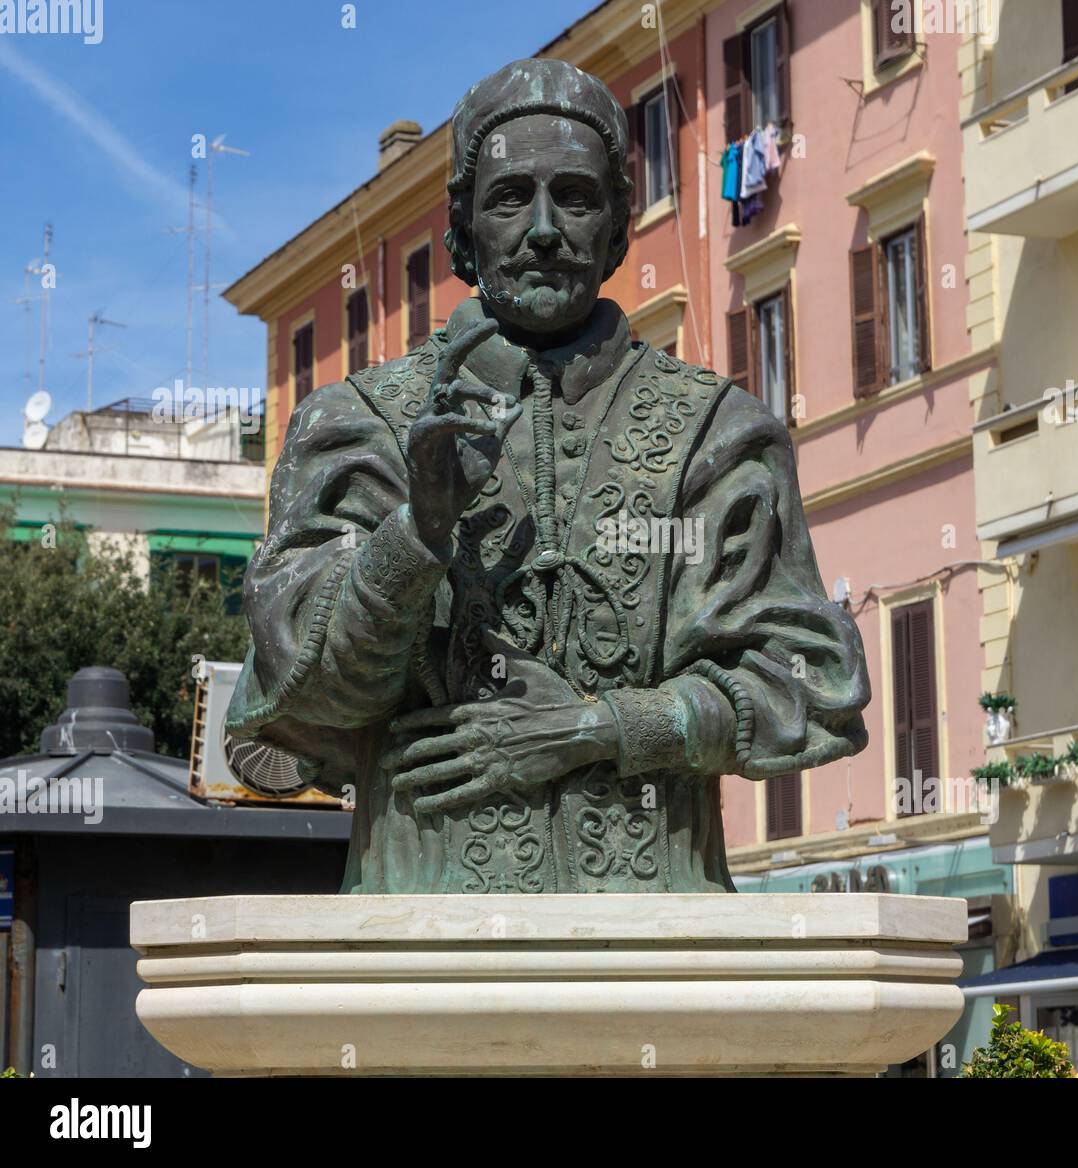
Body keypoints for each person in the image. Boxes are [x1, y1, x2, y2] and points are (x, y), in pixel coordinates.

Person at [228, 58, 869, 894]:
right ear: (461, 231)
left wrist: (598, 728)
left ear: (615, 228)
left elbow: (810, 686)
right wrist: (416, 536)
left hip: (658, 942)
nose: (541, 228)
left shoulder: (719, 431)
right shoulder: (359, 423)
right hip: (418, 943)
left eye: (574, 196)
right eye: (507, 198)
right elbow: (305, 693)